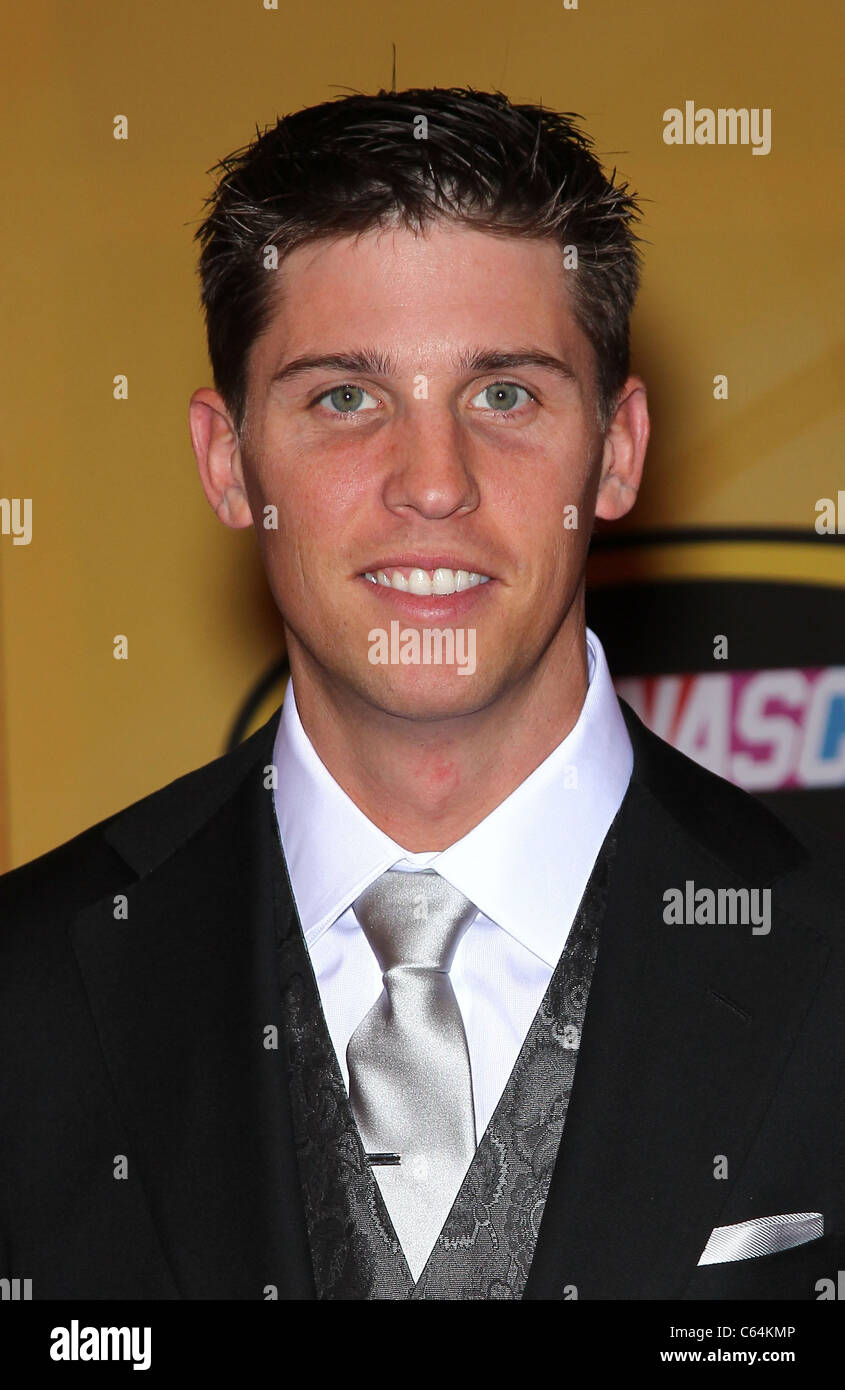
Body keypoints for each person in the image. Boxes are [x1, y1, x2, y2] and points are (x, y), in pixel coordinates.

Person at [1, 87, 842, 1301]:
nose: (432, 482)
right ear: (228, 462)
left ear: (614, 450)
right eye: (345, 396)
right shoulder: (25, 999)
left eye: (502, 393)